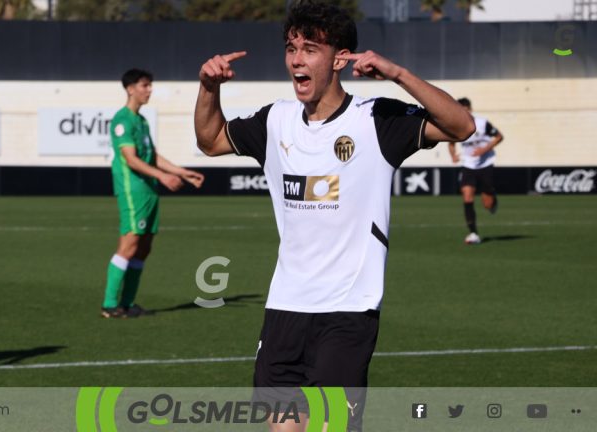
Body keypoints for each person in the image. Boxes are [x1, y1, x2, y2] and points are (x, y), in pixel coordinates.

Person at [194, 1, 475, 430]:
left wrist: (396, 74)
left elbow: (461, 126)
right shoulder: (275, 120)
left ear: (340, 58)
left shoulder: (376, 119)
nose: (296, 59)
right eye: (291, 48)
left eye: (310, 48)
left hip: (347, 311)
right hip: (284, 308)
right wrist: (208, 88)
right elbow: (210, 140)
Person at [101, 68, 205, 319]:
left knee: (144, 246)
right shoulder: (122, 120)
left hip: (148, 189)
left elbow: (152, 156)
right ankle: (109, 304)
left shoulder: (141, 121)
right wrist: (163, 177)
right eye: (145, 85)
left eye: (150, 85)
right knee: (129, 243)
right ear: (130, 89)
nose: (149, 90)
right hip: (132, 189)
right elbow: (131, 159)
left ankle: (127, 303)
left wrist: (182, 172)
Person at [448, 97, 503, 245]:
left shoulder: (482, 123)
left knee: (488, 204)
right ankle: (473, 233)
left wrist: (484, 149)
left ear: (470, 109)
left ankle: (492, 197)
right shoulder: (455, 126)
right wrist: (453, 155)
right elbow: (451, 143)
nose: (464, 112)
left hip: (486, 164)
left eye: (466, 109)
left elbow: (499, 137)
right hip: (468, 166)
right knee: (467, 197)